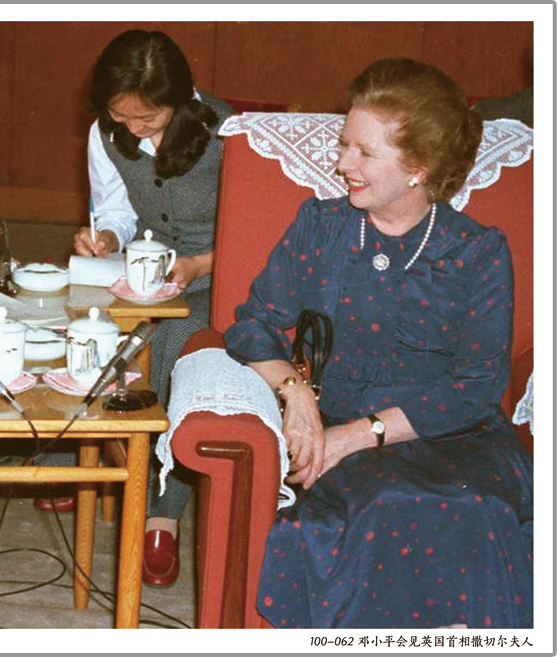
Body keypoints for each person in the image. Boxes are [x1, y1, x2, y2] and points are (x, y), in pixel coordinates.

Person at [224, 59, 532, 628]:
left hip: (453, 439)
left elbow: (477, 388)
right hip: (348, 445)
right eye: (345, 144)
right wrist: (296, 393)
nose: (342, 164)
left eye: (364, 152)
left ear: (419, 167)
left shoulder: (477, 252)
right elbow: (252, 323)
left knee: (473, 508)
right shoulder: (321, 227)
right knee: (378, 508)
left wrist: (359, 435)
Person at [38, 29, 234, 588]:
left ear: (180, 99)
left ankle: (160, 512)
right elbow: (119, 212)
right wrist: (104, 238)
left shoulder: (227, 132)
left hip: (221, 270)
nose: (132, 128)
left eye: (146, 117)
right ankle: (79, 459)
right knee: (76, 316)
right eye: (120, 116)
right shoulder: (107, 131)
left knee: (171, 340)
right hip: (147, 264)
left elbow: (257, 231)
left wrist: (200, 264)